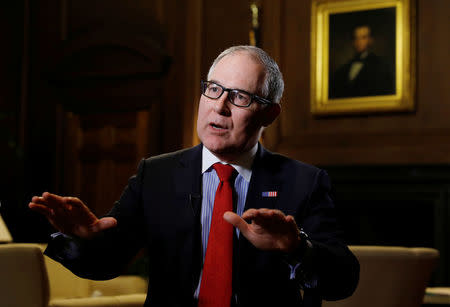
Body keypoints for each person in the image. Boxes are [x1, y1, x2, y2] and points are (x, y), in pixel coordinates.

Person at [29, 45, 359, 307]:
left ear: (270, 113)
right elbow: (106, 264)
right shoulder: (156, 174)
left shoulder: (303, 181)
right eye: (213, 89)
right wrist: (84, 238)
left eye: (240, 97)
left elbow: (343, 279)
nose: (220, 107)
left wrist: (297, 247)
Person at [329, 24, 395, 98]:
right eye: (356, 38)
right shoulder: (344, 68)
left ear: (370, 40)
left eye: (363, 37)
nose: (358, 41)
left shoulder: (380, 65)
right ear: (352, 41)